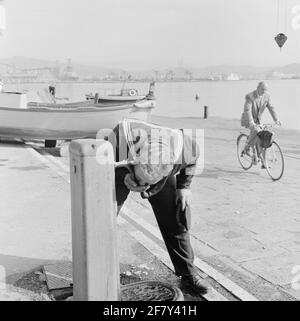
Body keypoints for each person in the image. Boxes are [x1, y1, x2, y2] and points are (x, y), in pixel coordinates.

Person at [103, 118, 209, 295]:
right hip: (121, 165)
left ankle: (188, 275)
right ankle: (99, 273)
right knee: (104, 218)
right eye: (141, 181)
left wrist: (184, 187)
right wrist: (125, 177)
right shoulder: (115, 141)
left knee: (176, 215)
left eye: (147, 184)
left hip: (158, 162)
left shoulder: (183, 150)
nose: (142, 186)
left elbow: (194, 159)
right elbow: (96, 170)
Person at [241, 81, 281, 164]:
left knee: (263, 136)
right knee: (256, 130)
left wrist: (276, 120)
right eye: (263, 89)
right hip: (248, 119)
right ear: (258, 88)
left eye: (266, 89)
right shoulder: (250, 96)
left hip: (258, 120)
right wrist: (251, 121)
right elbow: (247, 110)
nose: (264, 91)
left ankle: (263, 162)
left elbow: (271, 108)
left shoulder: (266, 96)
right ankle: (247, 148)